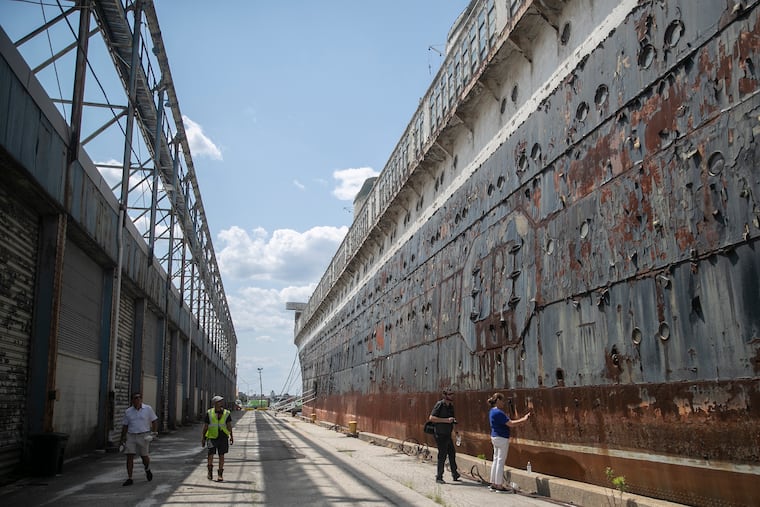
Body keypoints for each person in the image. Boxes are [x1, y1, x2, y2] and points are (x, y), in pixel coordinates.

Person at [487, 392, 531, 492]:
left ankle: (493, 483)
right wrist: (524, 419)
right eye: (502, 401)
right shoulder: (499, 413)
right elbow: (511, 424)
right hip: (502, 438)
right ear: (498, 400)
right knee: (500, 462)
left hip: (494, 437)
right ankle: (499, 485)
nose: (503, 403)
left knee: (496, 460)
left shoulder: (492, 412)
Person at [119, 392, 158, 486]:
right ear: (132, 400)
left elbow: (154, 421)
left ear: (141, 399)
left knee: (144, 456)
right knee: (129, 456)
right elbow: (125, 425)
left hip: (143, 436)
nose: (137, 400)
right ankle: (130, 478)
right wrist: (122, 438)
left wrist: (154, 433)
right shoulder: (128, 411)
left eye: (139, 398)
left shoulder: (147, 409)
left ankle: (147, 469)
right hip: (131, 436)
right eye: (135, 398)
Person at [428, 387, 460, 484]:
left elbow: (453, 420)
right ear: (445, 396)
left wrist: (456, 432)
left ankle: (454, 474)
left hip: (448, 434)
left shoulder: (451, 406)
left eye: (452, 394)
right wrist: (446, 420)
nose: (452, 396)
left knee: (452, 453)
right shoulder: (439, 405)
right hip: (440, 434)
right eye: (450, 394)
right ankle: (439, 477)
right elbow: (431, 418)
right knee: (442, 455)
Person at [202, 395, 234, 482]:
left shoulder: (227, 413)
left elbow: (229, 426)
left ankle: (220, 474)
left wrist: (231, 436)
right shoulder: (209, 413)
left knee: (221, 455)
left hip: (223, 437)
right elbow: (205, 426)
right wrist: (203, 438)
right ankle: (210, 471)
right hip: (212, 437)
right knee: (210, 455)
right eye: (219, 402)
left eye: (221, 401)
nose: (221, 403)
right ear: (215, 403)